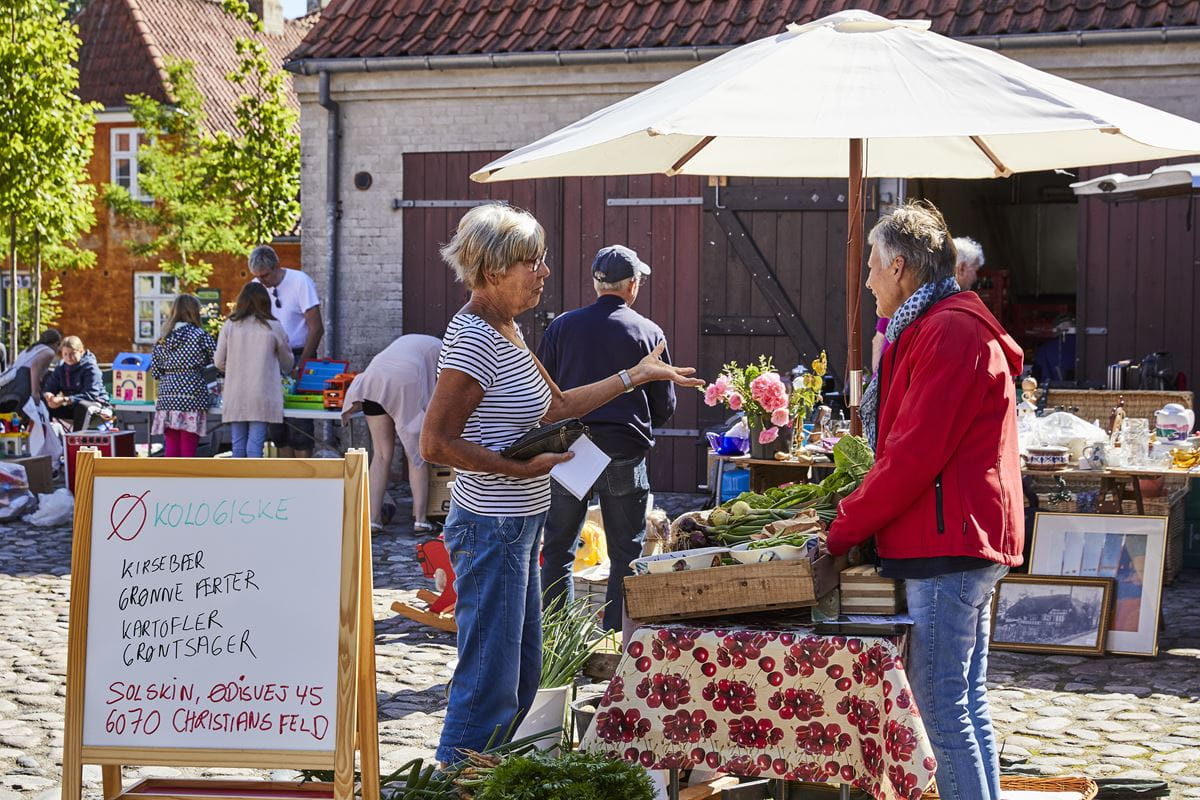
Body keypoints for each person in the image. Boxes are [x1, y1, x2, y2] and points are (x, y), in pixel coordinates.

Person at [420, 203, 702, 765]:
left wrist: (636, 376)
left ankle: (488, 775)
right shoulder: (476, 337)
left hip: (518, 527)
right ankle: (456, 777)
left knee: (522, 676)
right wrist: (517, 470)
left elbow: (557, 404)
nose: (546, 273)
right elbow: (435, 444)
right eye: (534, 262)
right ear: (495, 269)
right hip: (491, 527)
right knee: (488, 682)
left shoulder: (508, 329)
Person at [826, 202, 1024, 800]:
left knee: (941, 709)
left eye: (872, 267)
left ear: (903, 268)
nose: (866, 281)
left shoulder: (949, 328)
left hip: (951, 543)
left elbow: (913, 454)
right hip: (960, 537)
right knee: (963, 702)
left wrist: (843, 527)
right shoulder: (941, 322)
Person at [536, 244, 675, 630]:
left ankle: (555, 636)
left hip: (570, 451)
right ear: (632, 285)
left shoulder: (562, 326)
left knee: (559, 546)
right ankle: (616, 637)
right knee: (626, 551)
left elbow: (540, 391)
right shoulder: (649, 332)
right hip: (622, 451)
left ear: (596, 283)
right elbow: (663, 404)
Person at [342, 334, 442, 534]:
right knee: (416, 455)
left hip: (372, 381)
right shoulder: (442, 349)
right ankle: (421, 520)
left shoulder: (411, 341)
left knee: (380, 455)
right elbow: (440, 390)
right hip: (405, 382)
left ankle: (373, 520)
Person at [248, 245, 323, 457]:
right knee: (276, 425)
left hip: (299, 353)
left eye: (265, 275)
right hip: (270, 356)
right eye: (257, 277)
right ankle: (286, 477)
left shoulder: (300, 282)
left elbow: (316, 327)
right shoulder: (256, 286)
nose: (262, 281)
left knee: (300, 423)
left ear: (277, 267)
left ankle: (303, 479)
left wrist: (303, 364)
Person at [872, 234, 986, 375]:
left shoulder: (918, 297)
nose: (975, 277)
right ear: (961, 268)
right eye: (975, 271)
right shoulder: (943, 307)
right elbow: (880, 338)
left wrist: (877, 377)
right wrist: (878, 379)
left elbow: (879, 339)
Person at [215, 283, 294, 458]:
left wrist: (236, 369)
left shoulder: (230, 325)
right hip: (262, 392)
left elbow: (218, 361)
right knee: (255, 445)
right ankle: (253, 483)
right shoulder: (273, 326)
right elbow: (287, 363)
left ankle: (236, 482)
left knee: (237, 444)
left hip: (235, 392)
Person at [151, 295, 218, 457]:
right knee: (188, 446)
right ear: (194, 312)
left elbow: (155, 371)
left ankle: (171, 480)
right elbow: (218, 361)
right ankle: (187, 480)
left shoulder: (163, 339)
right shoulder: (200, 335)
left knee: (171, 446)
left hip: (167, 396)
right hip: (192, 394)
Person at [43, 336, 109, 431]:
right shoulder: (60, 368)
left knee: (82, 406)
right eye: (65, 354)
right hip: (71, 405)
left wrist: (65, 399)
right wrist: (49, 396)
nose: (68, 357)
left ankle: (76, 440)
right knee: (43, 403)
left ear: (81, 351)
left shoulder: (90, 368)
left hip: (95, 405)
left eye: (72, 354)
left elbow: (91, 394)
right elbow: (50, 387)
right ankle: (48, 439)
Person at [0, 329, 62, 413]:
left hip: (11, 384)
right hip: (24, 384)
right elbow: (35, 366)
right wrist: (35, 392)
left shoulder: (31, 349)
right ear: (56, 343)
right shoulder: (49, 352)